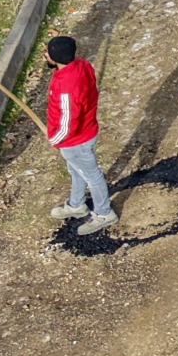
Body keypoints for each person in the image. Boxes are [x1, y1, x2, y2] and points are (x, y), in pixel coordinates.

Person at [44, 35, 115, 235]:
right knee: (76, 171)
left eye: (48, 52)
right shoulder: (82, 65)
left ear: (55, 57)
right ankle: (76, 205)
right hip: (86, 130)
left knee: (92, 176)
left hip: (75, 141)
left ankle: (104, 213)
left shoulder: (67, 87)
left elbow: (69, 121)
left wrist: (55, 139)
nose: (45, 54)